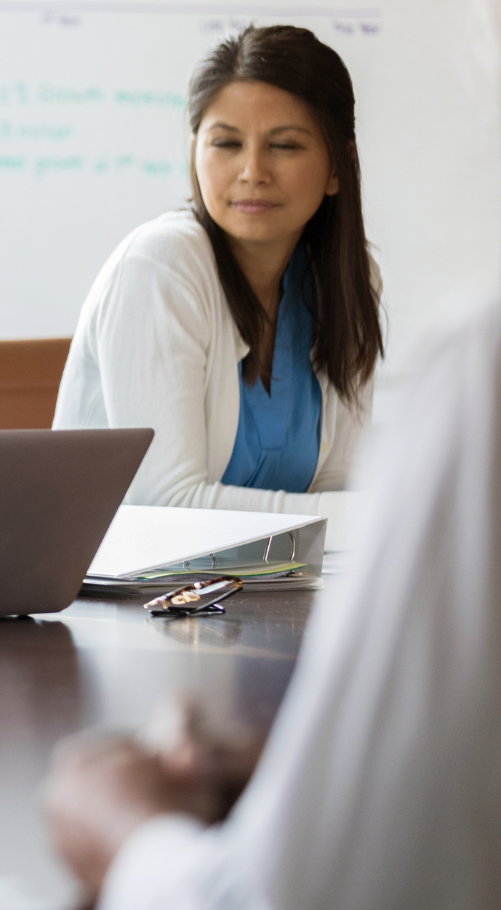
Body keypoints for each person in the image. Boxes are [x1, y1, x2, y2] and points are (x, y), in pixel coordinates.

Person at [42, 293, 501, 910]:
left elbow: (291, 898)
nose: (252, 186)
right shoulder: (162, 274)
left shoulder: (480, 364)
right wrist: (330, 772)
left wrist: (127, 835)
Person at [54, 26, 381, 534]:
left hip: (265, 593)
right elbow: (167, 507)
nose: (252, 171)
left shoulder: (346, 281)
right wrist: (384, 515)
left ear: (338, 166)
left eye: (285, 146)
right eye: (226, 143)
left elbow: (336, 489)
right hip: (125, 600)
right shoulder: (161, 266)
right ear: (195, 153)